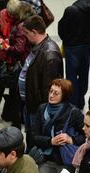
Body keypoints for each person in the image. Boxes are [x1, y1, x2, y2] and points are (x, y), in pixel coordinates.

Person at [30, 79, 85, 173]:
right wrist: (50, 141)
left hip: (65, 162)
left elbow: (86, 136)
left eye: (56, 93)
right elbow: (33, 136)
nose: (51, 95)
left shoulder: (74, 112)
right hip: (46, 159)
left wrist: (71, 139)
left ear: (64, 96)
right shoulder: (42, 109)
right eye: (50, 91)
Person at [0, 0, 34, 128]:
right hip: (11, 59)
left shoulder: (21, 27)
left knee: (15, 92)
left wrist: (7, 47)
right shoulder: (7, 16)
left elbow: (19, 49)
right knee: (11, 89)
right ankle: (12, 115)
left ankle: (16, 120)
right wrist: (0, 40)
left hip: (16, 62)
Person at [20, 15, 63, 150]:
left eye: (26, 33)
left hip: (37, 108)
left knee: (35, 141)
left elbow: (49, 89)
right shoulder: (38, 47)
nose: (25, 36)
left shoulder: (50, 55)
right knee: (30, 136)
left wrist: (42, 113)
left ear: (34, 32)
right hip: (30, 104)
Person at [57, 0, 90, 110]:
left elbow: (62, 29)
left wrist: (67, 38)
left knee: (71, 76)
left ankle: (72, 103)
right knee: (83, 74)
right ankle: (80, 100)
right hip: (86, 45)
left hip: (72, 47)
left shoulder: (71, 10)